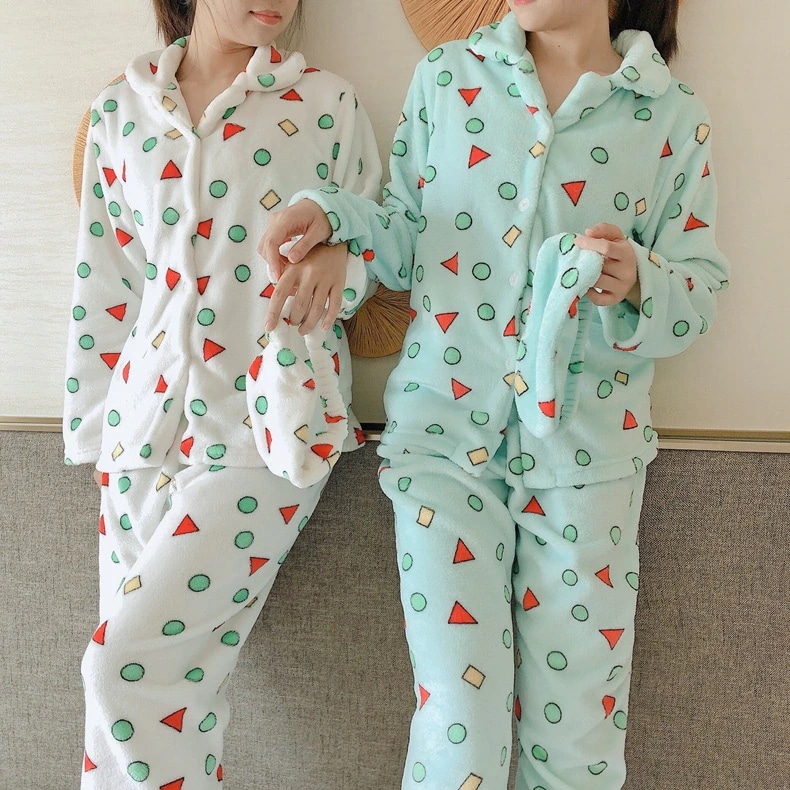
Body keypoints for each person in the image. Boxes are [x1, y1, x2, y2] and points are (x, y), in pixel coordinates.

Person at [259, 1, 730, 787]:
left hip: (588, 464)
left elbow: (700, 291)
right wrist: (334, 221)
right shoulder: (449, 79)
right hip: (441, 450)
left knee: (578, 742)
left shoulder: (669, 114)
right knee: (458, 725)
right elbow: (406, 233)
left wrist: (638, 280)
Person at [63, 0, 380, 786]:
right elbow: (106, 282)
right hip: (138, 434)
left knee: (123, 670)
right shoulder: (119, 111)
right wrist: (96, 436)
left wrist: (340, 263)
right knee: (146, 706)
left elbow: (378, 250)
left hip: (264, 432)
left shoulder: (326, 103)